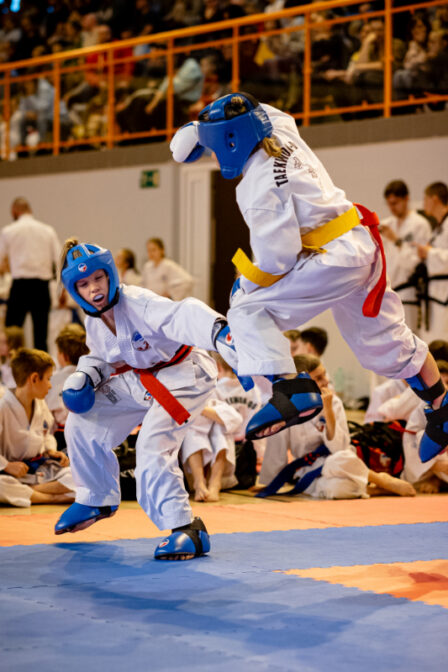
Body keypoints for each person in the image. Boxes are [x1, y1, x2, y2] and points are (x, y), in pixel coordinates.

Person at [170, 92, 448, 462]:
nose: (213, 157)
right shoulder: (279, 129)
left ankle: (291, 389)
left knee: (246, 309)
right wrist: (196, 129)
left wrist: (246, 282)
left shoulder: (257, 188)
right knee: (382, 341)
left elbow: (278, 259)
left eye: (213, 148)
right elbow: (257, 109)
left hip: (332, 261)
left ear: (231, 143)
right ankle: (442, 406)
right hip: (358, 242)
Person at [54, 238, 241, 560]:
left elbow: (185, 313)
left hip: (185, 374)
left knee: (152, 445)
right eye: (84, 284)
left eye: (98, 278)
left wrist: (220, 331)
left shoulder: (140, 302)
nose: (94, 288)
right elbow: (103, 358)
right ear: (75, 290)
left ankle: (187, 529)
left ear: (111, 275)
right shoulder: (93, 320)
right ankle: (96, 497)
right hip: (140, 378)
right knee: (82, 420)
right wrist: (85, 376)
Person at [257, 354, 415, 499]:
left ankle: (380, 480)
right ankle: (375, 490)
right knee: (335, 489)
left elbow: (340, 449)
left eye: (324, 374)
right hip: (307, 469)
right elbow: (276, 450)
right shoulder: (286, 410)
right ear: (302, 384)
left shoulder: (334, 403)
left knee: (340, 459)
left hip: (338, 462)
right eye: (319, 378)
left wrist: (328, 411)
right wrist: (269, 483)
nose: (326, 381)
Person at [0, 348, 75, 507]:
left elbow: (46, 434)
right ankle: (53, 498)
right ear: (34, 378)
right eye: (48, 379)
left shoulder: (41, 404)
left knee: (80, 474)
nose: (50, 385)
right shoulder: (2, 408)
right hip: (12, 475)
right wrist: (7, 465)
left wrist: (50, 449)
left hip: (40, 472)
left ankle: (33, 492)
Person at [0, 198, 60, 352]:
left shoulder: (9, 231)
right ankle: (41, 366)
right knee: (40, 336)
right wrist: (62, 286)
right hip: (41, 287)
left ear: (14, 212)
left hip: (20, 286)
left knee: (12, 333)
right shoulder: (48, 230)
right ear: (30, 210)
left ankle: (11, 364)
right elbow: (60, 259)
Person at [379, 180, 431, 331]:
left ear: (406, 199)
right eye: (389, 204)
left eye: (395, 203)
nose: (392, 208)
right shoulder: (386, 224)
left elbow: (416, 263)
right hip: (388, 291)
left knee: (408, 335)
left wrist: (396, 240)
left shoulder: (420, 224)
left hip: (409, 293)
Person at [402, 360, 448, 493]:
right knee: (423, 437)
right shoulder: (425, 404)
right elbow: (413, 439)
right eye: (442, 382)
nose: (445, 386)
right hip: (426, 464)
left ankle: (438, 480)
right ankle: (434, 477)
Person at [46, 323, 89, 450]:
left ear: (63, 355)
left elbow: (47, 417)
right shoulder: (92, 376)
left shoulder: (53, 380)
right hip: (91, 435)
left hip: (62, 439)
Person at [414, 182, 448, 344]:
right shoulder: (439, 228)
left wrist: (429, 253)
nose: (424, 203)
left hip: (444, 292)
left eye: (425, 199)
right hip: (434, 293)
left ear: (434, 199)